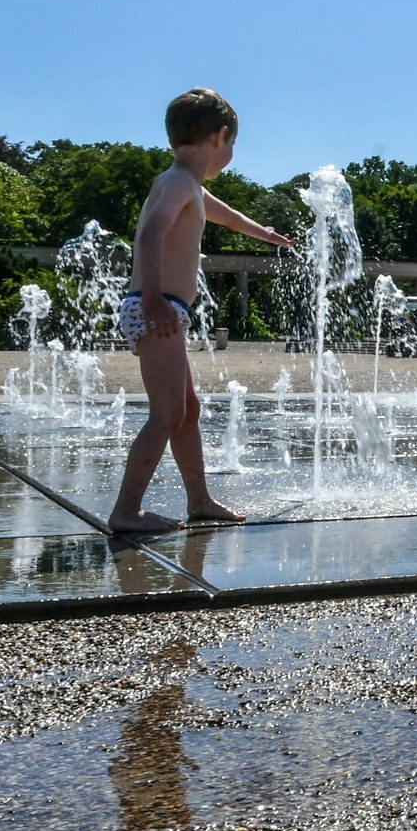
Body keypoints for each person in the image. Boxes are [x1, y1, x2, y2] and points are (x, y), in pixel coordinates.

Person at [109, 88, 293, 533]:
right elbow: (151, 234)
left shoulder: (185, 183)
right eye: (231, 145)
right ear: (221, 137)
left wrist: (267, 235)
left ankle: (200, 500)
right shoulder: (176, 183)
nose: (230, 153)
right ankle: (126, 510)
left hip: (163, 307)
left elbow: (229, 217)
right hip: (155, 306)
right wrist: (153, 297)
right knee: (167, 413)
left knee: (186, 409)